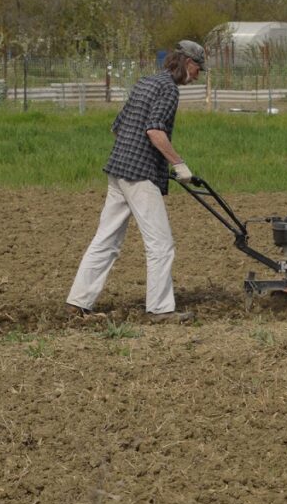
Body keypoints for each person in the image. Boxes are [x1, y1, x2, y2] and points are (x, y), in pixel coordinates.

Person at [65, 40, 206, 324]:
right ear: (188, 64)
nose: (199, 75)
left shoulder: (146, 83)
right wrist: (178, 164)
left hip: (118, 169)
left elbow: (117, 128)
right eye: (199, 69)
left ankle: (78, 303)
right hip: (139, 175)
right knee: (161, 244)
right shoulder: (168, 90)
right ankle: (161, 310)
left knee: (106, 240)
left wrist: (144, 158)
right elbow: (155, 130)